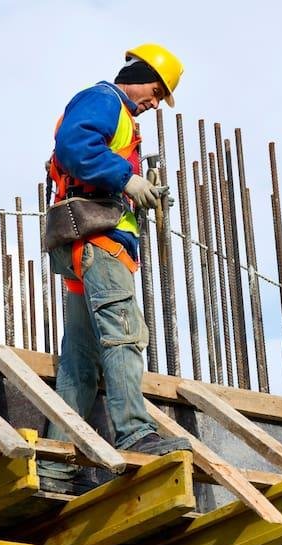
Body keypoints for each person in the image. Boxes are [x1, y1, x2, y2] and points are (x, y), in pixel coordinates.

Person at [39, 44, 191, 492]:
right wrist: (127, 179)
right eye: (156, 90)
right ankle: (135, 432)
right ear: (138, 74)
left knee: (80, 363)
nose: (155, 102)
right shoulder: (105, 100)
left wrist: (133, 186)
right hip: (99, 243)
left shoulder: (120, 116)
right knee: (125, 334)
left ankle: (55, 464)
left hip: (87, 245)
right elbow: (74, 145)